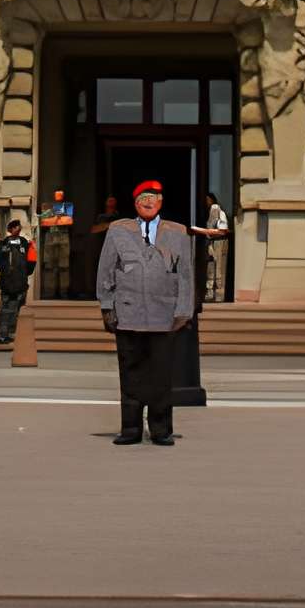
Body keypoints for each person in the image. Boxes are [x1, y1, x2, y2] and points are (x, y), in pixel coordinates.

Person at [97, 178, 196, 446]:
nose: (148, 202)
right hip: (128, 314)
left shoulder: (177, 232)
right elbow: (106, 270)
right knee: (130, 373)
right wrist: (107, 306)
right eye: (143, 198)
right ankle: (130, 429)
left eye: (153, 197)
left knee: (161, 376)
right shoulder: (118, 230)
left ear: (161, 202)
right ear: (135, 203)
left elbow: (185, 275)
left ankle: (161, 429)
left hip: (164, 316)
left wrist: (184, 310)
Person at [0, 214, 32, 350]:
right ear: (10, 229)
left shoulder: (24, 243)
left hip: (20, 282)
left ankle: (11, 332)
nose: (18, 228)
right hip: (7, 282)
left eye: (19, 226)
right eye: (15, 227)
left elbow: (30, 262)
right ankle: (3, 333)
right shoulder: (3, 243)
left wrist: (25, 274)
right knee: (6, 309)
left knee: (16, 309)